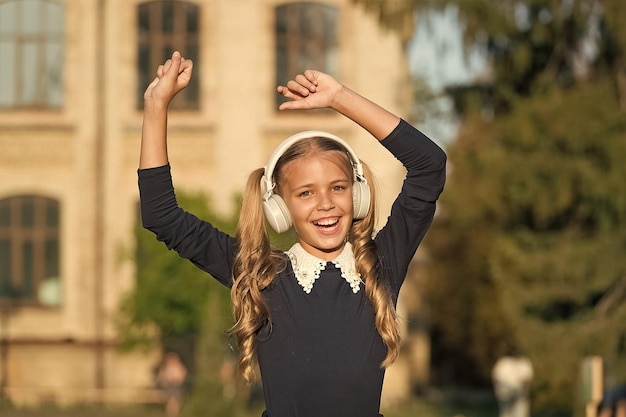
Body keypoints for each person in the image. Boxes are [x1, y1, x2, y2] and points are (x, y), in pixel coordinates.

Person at [138, 51, 446, 417]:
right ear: (279, 208)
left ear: (358, 193)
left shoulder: (381, 267)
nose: (326, 204)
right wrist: (157, 106)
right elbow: (162, 216)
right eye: (305, 193)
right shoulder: (261, 275)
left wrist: (339, 99)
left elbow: (430, 165)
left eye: (338, 187)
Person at [492, 349, 534, 417]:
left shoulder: (522, 361)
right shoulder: (503, 362)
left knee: (520, 412)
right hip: (506, 394)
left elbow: (527, 377)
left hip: (520, 394)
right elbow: (497, 378)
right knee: (507, 413)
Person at [155, 352, 187, 417]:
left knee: (174, 400)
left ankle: (173, 413)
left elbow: (181, 377)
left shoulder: (179, 367)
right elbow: (161, 378)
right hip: (169, 386)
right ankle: (172, 413)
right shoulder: (165, 368)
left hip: (176, 386)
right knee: (171, 400)